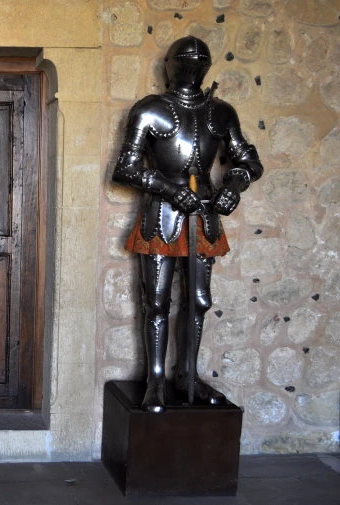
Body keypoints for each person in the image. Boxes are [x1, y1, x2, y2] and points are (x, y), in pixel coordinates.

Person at [112, 36, 263, 413]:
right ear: (171, 65)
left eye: (199, 61)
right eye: (185, 61)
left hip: (205, 213)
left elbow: (248, 160)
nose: (192, 66)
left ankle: (188, 375)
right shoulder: (150, 109)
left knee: (198, 300)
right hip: (161, 215)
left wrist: (234, 184)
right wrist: (165, 187)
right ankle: (156, 380)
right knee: (158, 301)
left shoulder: (221, 112)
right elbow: (125, 168)